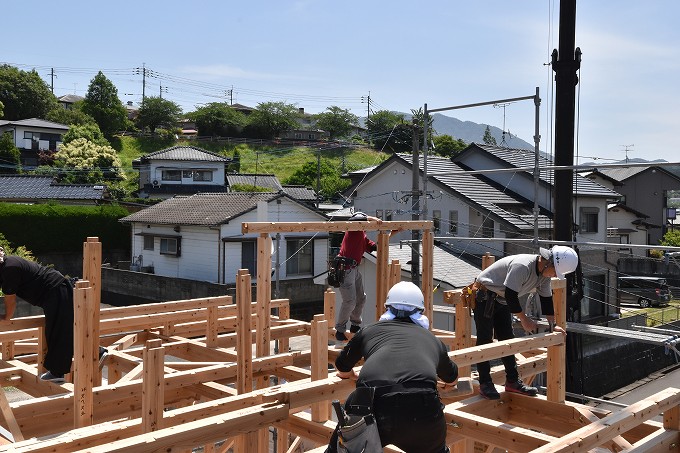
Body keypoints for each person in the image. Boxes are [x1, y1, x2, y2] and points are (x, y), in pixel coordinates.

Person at [334, 281, 458, 453]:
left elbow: (342, 366)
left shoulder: (369, 331)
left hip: (374, 406)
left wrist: (351, 375)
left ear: (387, 308)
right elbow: (452, 378)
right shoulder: (433, 340)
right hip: (423, 410)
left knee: (344, 447)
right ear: (420, 312)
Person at [473, 245, 578, 400]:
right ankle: (485, 383)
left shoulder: (544, 275)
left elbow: (546, 300)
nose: (554, 275)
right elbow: (511, 295)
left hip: (500, 299)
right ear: (547, 263)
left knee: (507, 339)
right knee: (485, 340)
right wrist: (524, 320)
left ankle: (513, 381)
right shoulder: (522, 266)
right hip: (485, 296)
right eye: (555, 271)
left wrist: (552, 325)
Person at [0, 247, 105, 383]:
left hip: (56, 290)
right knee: (65, 329)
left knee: (57, 332)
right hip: (54, 292)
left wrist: (6, 317)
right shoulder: (6, 267)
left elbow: (10, 299)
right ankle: (98, 352)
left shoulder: (9, 268)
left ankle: (57, 372)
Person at [333, 211, 381, 346]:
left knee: (361, 298)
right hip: (345, 269)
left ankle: (355, 325)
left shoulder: (363, 236)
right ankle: (340, 330)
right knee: (350, 301)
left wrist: (393, 232)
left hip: (353, 269)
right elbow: (356, 219)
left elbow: (375, 246)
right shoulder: (354, 230)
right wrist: (375, 218)